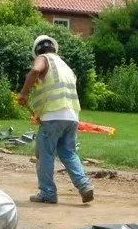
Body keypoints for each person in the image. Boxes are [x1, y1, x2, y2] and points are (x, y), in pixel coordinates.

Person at [17, 35, 95, 205]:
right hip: (72, 117)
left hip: (53, 116)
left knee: (45, 154)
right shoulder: (65, 66)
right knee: (68, 153)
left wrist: (23, 93)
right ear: (54, 48)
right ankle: (84, 185)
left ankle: (47, 193)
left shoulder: (43, 58)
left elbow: (35, 71)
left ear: (38, 50)